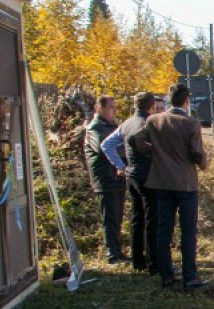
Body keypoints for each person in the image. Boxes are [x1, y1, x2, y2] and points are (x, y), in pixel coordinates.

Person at [136, 83, 207, 291]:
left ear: (169, 99)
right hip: (185, 183)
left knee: (163, 230)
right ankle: (190, 276)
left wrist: (153, 153)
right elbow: (197, 154)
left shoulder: (153, 120)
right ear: (186, 101)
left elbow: (136, 141)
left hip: (161, 182)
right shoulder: (190, 123)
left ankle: (166, 275)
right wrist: (203, 164)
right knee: (188, 231)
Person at [101, 91, 161, 273]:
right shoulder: (148, 123)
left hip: (131, 176)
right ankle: (153, 263)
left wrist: (121, 166)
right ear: (151, 107)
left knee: (137, 218)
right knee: (152, 219)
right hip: (149, 176)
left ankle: (137, 260)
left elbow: (106, 145)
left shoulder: (126, 124)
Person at [84, 95, 128, 264]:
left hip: (117, 177)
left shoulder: (112, 126)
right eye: (111, 107)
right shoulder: (95, 128)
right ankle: (112, 254)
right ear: (99, 108)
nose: (114, 111)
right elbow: (103, 148)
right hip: (105, 178)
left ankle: (118, 251)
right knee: (109, 217)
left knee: (117, 216)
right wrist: (122, 151)